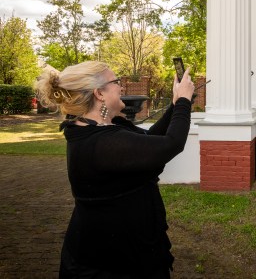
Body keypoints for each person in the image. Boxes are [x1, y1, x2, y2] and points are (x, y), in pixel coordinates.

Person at [35, 61, 195, 278]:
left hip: (119, 250)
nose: (122, 87)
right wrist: (184, 101)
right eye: (116, 82)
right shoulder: (100, 143)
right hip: (109, 264)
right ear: (99, 93)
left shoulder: (102, 128)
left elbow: (150, 141)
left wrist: (176, 105)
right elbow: (171, 144)